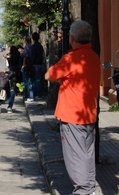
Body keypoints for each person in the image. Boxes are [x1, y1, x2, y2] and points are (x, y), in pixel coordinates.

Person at [45, 20, 100, 195]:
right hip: (89, 113)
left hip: (71, 115)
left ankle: (83, 191)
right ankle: (89, 189)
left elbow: (49, 75)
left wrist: (63, 77)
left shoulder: (70, 59)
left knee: (75, 157)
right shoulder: (93, 56)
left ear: (72, 38)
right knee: (87, 155)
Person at [30, 32, 44, 99]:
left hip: (35, 64)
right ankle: (39, 93)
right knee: (38, 79)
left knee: (35, 80)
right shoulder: (40, 46)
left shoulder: (33, 47)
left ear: (33, 38)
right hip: (40, 64)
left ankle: (37, 94)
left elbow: (32, 56)